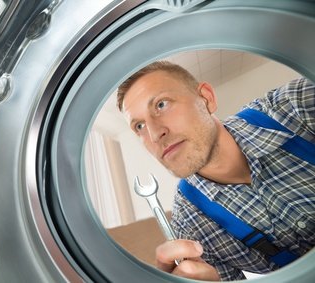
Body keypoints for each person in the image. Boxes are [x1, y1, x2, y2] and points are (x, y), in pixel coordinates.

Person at [117, 61, 315, 281]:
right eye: (139, 126)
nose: (154, 134)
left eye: (161, 105)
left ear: (206, 98)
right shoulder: (190, 227)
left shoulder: (295, 106)